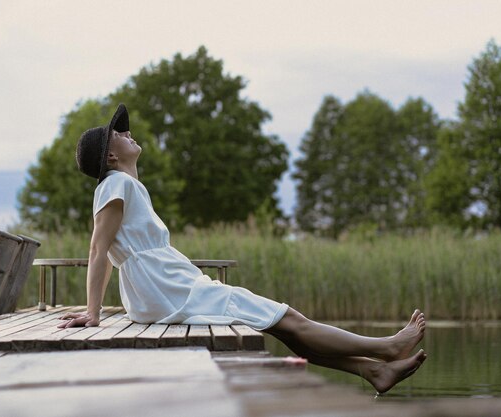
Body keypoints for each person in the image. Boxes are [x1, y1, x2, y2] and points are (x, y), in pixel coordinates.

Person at [59, 104, 427, 394]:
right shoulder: (114, 185)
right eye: (119, 133)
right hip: (168, 289)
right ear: (110, 157)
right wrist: (93, 314)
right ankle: (386, 347)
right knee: (290, 318)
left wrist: (101, 308)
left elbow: (108, 254)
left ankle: (374, 370)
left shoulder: (126, 187)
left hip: (166, 287)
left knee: (284, 328)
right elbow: (98, 249)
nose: (128, 132)